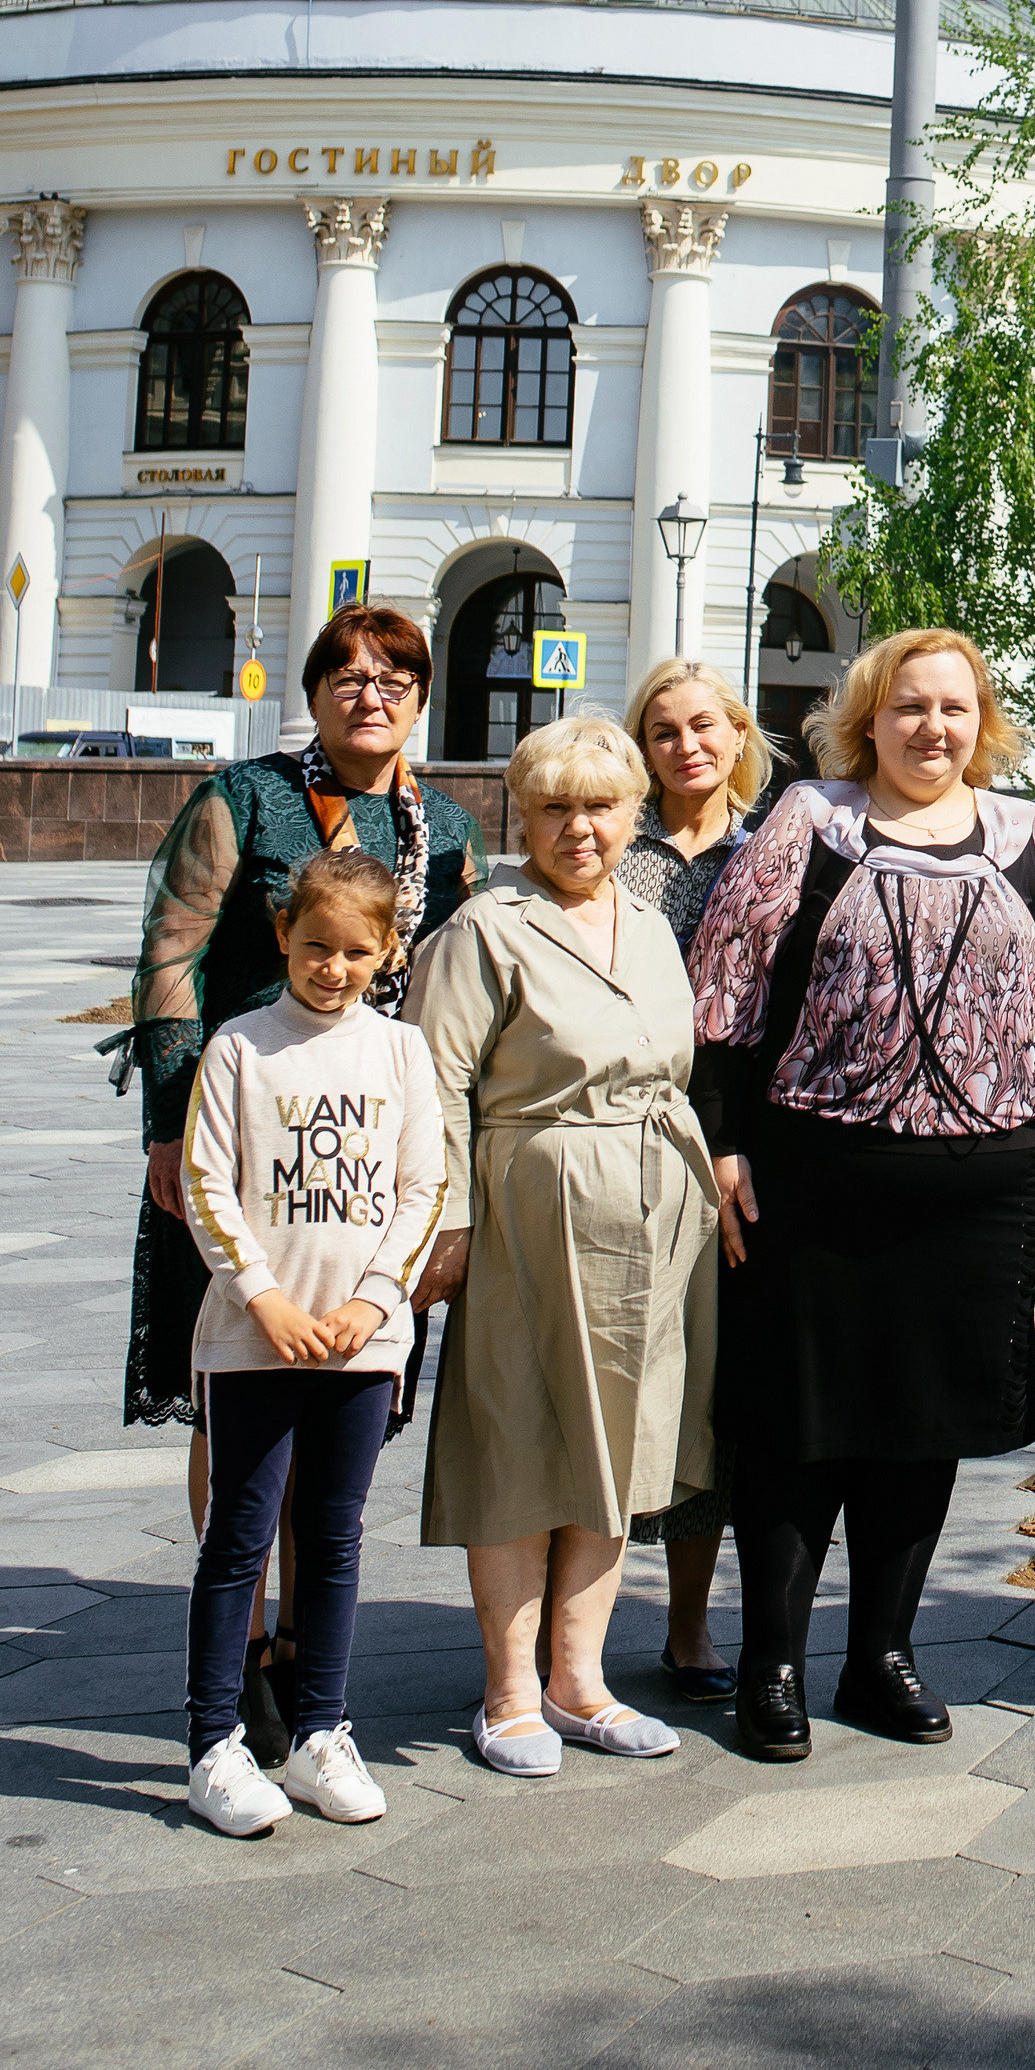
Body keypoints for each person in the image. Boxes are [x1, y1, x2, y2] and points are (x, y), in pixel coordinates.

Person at [686, 629, 1035, 1764]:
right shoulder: (809, 821)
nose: (933, 729)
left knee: (924, 1426)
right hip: (816, 1181)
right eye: (910, 708)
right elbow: (725, 985)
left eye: (954, 710)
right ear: (868, 718)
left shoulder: (1028, 834)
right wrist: (723, 1144)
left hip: (982, 1190)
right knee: (799, 1427)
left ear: (983, 724)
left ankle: (881, 1657)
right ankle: (771, 1666)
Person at [116, 602, 485, 1762]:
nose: (368, 692)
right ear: (317, 688)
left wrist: (452, 1181)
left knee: (338, 1400)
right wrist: (173, 1126)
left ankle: (294, 1645)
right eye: (346, 672)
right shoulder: (246, 795)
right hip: (236, 1132)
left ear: (422, 696)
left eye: (394, 676)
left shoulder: (449, 827)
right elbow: (173, 948)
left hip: (370, 1151)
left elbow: (450, 999)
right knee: (240, 1373)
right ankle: (246, 1647)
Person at [408, 713, 718, 1778]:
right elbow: (436, 1085)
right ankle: (507, 1691)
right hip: (532, 1206)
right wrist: (446, 1221)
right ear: (520, 814)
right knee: (523, 1431)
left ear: (634, 815)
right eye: (554, 808)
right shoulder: (484, 929)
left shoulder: (649, 922)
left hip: (655, 1206)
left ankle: (579, 1679)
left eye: (599, 807)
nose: (578, 830)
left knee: (624, 1435)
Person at [180, 849, 446, 1836]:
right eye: (315, 945)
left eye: (355, 952)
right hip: (256, 1344)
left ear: (386, 954)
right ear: (284, 933)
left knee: (332, 1539)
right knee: (238, 1542)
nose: (332, 967)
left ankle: (322, 1732)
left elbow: (424, 1187)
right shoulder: (242, 1048)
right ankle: (216, 1742)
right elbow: (208, 1187)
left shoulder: (401, 1051)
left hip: (359, 1346)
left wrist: (374, 1305)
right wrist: (265, 1301)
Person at [617, 656, 776, 1705]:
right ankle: (563, 1628)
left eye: (706, 726)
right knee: (615, 1384)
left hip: (736, 1150)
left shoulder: (773, 849)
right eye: (666, 730)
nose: (689, 746)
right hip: (621, 1145)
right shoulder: (609, 849)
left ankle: (687, 1628)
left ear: (738, 736)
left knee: (713, 1397)